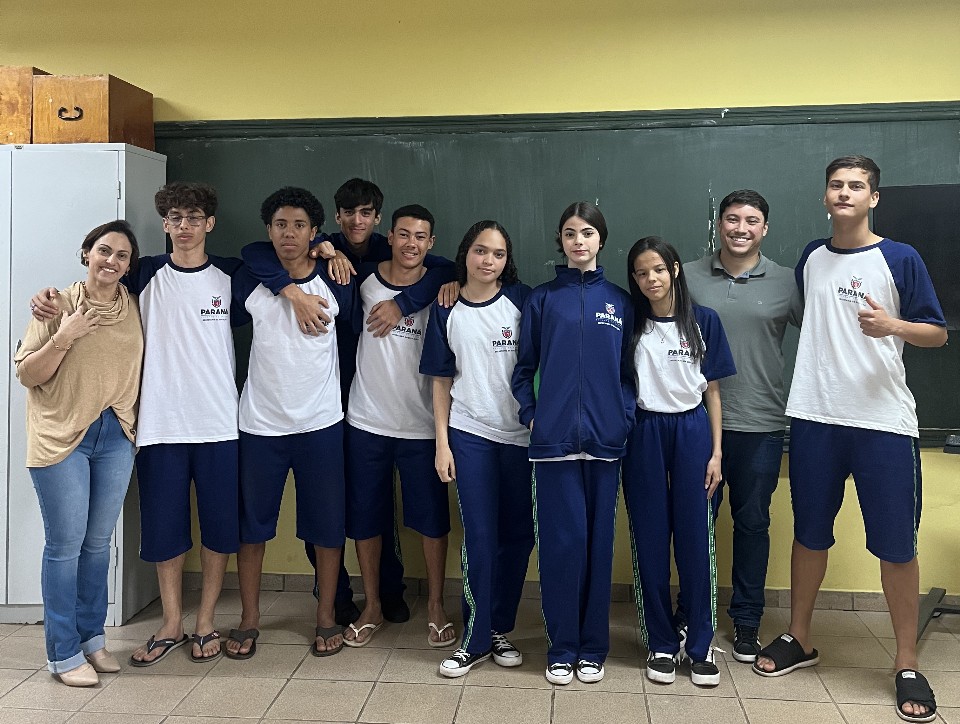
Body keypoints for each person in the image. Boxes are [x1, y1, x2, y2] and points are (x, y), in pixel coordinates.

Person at [755, 156, 947, 724]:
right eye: (837, 185)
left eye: (856, 186)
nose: (845, 193)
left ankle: (906, 661)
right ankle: (799, 638)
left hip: (883, 423)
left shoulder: (899, 257)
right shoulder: (812, 257)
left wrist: (894, 326)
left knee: (895, 545)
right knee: (811, 534)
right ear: (825, 196)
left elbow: (935, 333)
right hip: (814, 416)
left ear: (874, 198)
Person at [30, 183, 248, 667]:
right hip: (156, 426)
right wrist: (48, 300)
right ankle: (171, 623)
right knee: (165, 531)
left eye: (194, 217)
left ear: (209, 224)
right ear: (165, 224)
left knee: (217, 529)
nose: (184, 226)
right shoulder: (144, 272)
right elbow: (96, 282)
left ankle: (206, 621)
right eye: (175, 217)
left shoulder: (234, 274)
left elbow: (278, 265)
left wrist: (324, 248)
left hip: (219, 426)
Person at [242, 178, 456, 626]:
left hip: (353, 396)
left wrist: (404, 303)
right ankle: (337, 597)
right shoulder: (322, 245)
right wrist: (301, 280)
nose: (357, 222)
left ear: (378, 218)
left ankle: (388, 592)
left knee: (365, 508)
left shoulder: (389, 248)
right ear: (335, 219)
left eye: (366, 213)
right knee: (345, 508)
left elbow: (443, 268)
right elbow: (255, 254)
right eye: (348, 213)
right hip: (340, 398)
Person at [226, 187, 356, 659]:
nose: (289, 233)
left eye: (300, 225)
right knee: (253, 526)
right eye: (281, 224)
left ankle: (324, 618)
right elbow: (250, 253)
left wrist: (331, 254)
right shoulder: (251, 278)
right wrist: (290, 291)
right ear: (269, 229)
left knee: (326, 526)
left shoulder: (337, 277)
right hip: (260, 423)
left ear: (315, 232)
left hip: (321, 423)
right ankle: (248, 618)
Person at [511, 202, 635, 686]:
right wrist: (533, 414)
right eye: (569, 234)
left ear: (601, 239)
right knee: (564, 546)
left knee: (599, 547)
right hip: (554, 443)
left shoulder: (621, 302)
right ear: (559, 242)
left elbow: (628, 373)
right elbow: (523, 370)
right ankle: (561, 647)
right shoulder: (542, 299)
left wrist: (621, 419)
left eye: (587, 233)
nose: (578, 241)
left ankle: (592, 648)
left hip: (606, 442)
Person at [15, 221, 143, 686]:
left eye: (122, 255)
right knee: (65, 546)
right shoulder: (56, 304)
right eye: (104, 251)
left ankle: (92, 639)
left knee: (95, 545)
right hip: (62, 435)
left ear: (130, 266)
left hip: (115, 435)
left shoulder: (134, 306)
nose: (111, 261)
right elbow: (28, 374)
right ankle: (63, 653)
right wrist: (64, 334)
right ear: (86, 253)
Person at [684, 190, 802, 662]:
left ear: (765, 228)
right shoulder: (686, 276)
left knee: (753, 523)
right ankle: (693, 612)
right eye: (732, 219)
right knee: (697, 523)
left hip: (761, 423)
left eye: (751, 220)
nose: (740, 228)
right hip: (694, 422)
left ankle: (748, 622)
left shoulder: (788, 282)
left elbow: (823, 335)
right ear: (719, 223)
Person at [420, 220, 534, 677]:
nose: (488, 261)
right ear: (465, 252)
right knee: (480, 538)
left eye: (499, 254)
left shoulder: (524, 301)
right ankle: (475, 635)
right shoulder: (447, 308)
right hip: (470, 435)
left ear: (508, 260)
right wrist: (442, 443)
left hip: (523, 439)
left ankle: (499, 628)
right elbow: (441, 381)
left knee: (518, 538)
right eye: (480, 251)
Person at [623, 236, 736, 687]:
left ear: (674, 269)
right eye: (640, 273)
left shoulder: (703, 321)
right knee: (649, 540)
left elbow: (712, 391)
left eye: (657, 269)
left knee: (695, 539)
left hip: (691, 431)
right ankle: (661, 641)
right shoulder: (630, 322)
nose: (650, 279)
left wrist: (716, 452)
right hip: (644, 432)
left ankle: (700, 642)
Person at [342, 204, 456, 648]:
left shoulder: (443, 286)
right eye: (404, 234)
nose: (411, 243)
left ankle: (434, 606)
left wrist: (406, 303)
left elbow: (452, 267)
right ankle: (372, 604)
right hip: (366, 421)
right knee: (366, 518)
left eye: (421, 236)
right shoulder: (363, 279)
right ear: (388, 236)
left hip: (423, 425)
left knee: (430, 522)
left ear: (431, 243)